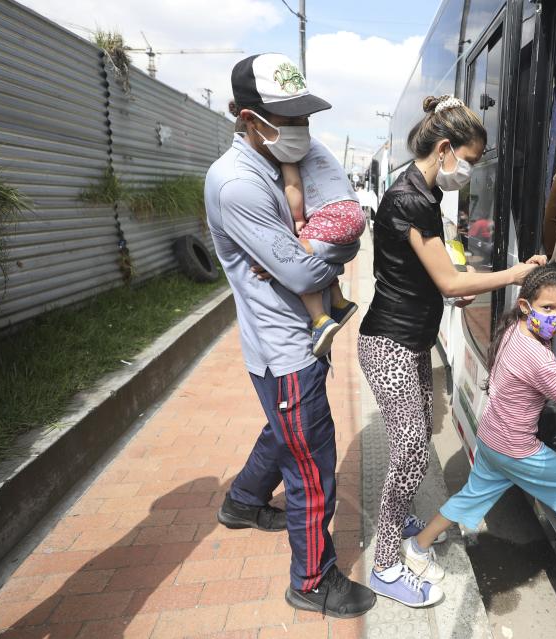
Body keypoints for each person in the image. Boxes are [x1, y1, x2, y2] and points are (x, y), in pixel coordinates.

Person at [358, 94, 546, 607]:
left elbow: (441, 279)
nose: (470, 171)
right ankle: (386, 566)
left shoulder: (422, 193)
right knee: (413, 448)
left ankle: (399, 523)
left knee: (413, 446)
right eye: (471, 160)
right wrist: (516, 275)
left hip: (409, 341)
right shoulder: (410, 199)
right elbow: (447, 282)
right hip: (389, 343)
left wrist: (475, 282)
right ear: (445, 148)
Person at [205, 53, 375, 618]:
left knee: (284, 434)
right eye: (286, 118)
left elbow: (347, 225)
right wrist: (314, 254)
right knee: (310, 461)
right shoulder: (236, 184)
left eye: (303, 116)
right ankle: (312, 580)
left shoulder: (283, 156)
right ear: (244, 117)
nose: (300, 130)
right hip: (286, 351)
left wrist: (321, 248)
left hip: (300, 340)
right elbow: (305, 272)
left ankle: (243, 503)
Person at [402, 266, 556, 583]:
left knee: (470, 498)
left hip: (491, 439)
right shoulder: (537, 356)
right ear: (525, 306)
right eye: (547, 308)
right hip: (515, 448)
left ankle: (418, 545)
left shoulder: (513, 331)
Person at [280, 142, 363, 356]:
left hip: (332, 212)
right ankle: (338, 301)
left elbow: (293, 184)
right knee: (320, 256)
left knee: (300, 258)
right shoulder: (316, 145)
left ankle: (319, 319)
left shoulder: (287, 147)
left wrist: (298, 218)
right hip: (352, 209)